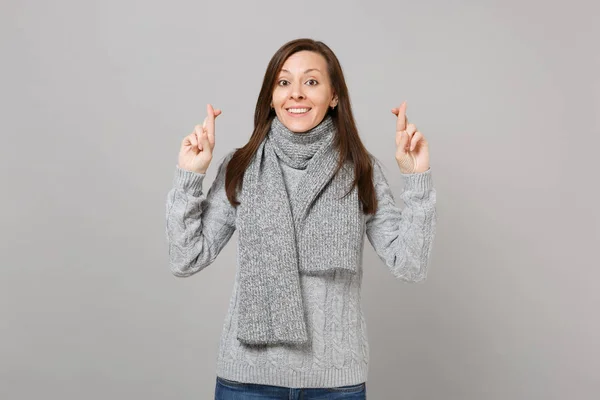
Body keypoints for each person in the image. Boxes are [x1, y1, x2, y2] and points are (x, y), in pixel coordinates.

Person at [165, 38, 437, 400]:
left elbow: (411, 266)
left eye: (310, 82)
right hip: (247, 381)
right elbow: (186, 259)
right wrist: (190, 177)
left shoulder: (361, 169)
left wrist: (416, 179)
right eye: (283, 82)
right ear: (272, 97)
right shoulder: (241, 166)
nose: (296, 93)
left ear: (334, 96)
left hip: (335, 384)